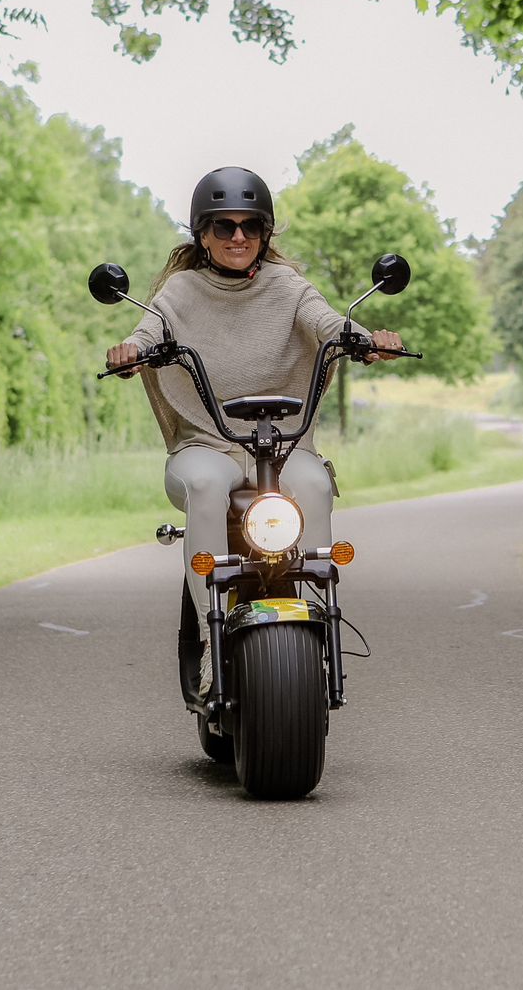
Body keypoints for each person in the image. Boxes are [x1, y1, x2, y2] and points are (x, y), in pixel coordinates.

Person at [106, 167, 402, 686]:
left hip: (283, 446)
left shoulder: (288, 285)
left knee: (313, 483)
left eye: (250, 226)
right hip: (205, 445)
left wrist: (365, 339)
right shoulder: (180, 290)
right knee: (205, 484)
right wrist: (132, 351)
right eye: (224, 226)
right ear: (203, 234)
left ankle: (316, 625)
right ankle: (204, 639)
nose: (238, 237)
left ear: (265, 232)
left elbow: (327, 321)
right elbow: (148, 328)